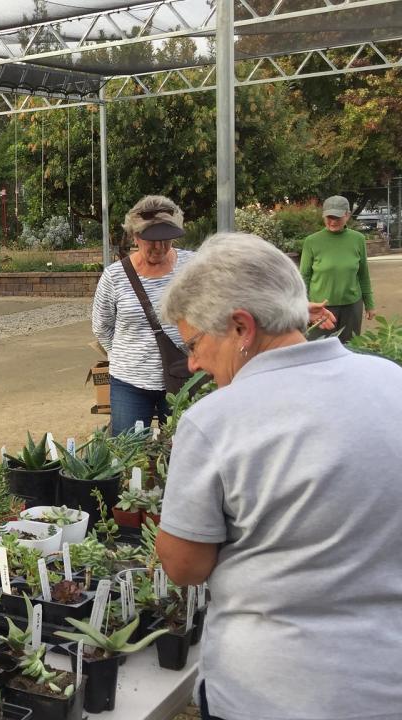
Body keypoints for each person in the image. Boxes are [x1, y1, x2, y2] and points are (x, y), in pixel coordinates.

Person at [155, 233, 402, 720]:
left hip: (270, 691)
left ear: (241, 327)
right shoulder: (391, 382)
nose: (193, 363)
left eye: (195, 343)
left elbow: (185, 566)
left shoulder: (216, 419)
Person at [91, 195, 196, 433]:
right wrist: (128, 357)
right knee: (128, 453)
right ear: (135, 236)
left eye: (166, 239)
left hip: (185, 375)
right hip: (130, 383)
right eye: (152, 240)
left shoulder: (193, 266)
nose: (159, 247)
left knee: (184, 451)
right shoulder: (114, 276)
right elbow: (102, 326)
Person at [300, 194, 375, 342]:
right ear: (323, 216)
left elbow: (363, 275)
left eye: (337, 217)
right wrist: (303, 306)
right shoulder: (312, 241)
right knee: (319, 350)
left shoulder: (357, 239)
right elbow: (304, 277)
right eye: (329, 217)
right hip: (321, 308)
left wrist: (369, 304)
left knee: (350, 348)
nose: (333, 221)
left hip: (352, 306)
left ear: (347, 215)